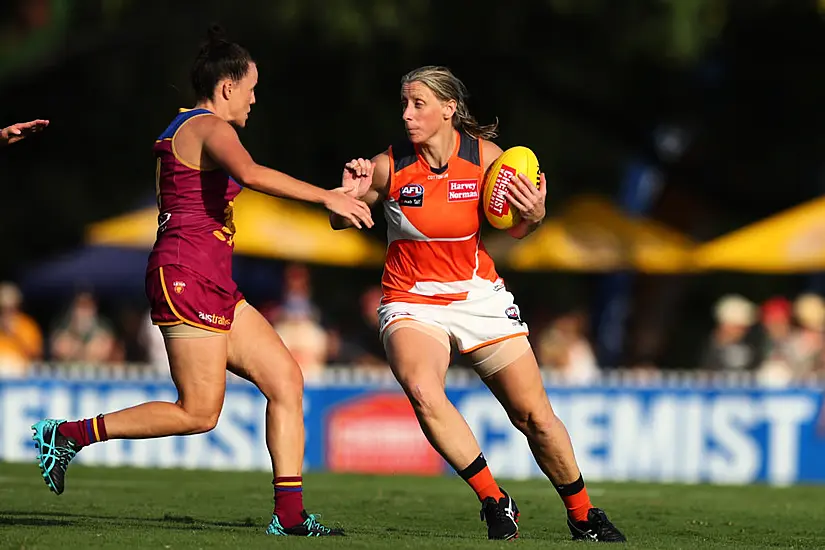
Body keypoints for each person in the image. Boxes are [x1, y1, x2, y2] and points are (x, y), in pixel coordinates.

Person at [31, 25, 372, 537]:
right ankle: (68, 434)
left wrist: (339, 200)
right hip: (186, 275)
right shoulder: (211, 128)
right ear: (227, 86)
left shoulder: (185, 129)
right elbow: (253, 174)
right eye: (251, 88)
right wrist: (326, 195)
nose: (255, 100)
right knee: (198, 412)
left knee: (285, 380)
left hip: (210, 278)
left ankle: (290, 516)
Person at [331, 65, 626, 543]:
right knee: (424, 391)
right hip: (412, 300)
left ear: (449, 109)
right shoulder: (387, 165)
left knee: (534, 417)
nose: (406, 114)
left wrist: (535, 216)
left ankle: (582, 514)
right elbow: (340, 220)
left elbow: (517, 227)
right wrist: (341, 196)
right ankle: (493, 498)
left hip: (477, 294)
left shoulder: (489, 159)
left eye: (418, 104)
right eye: (404, 104)